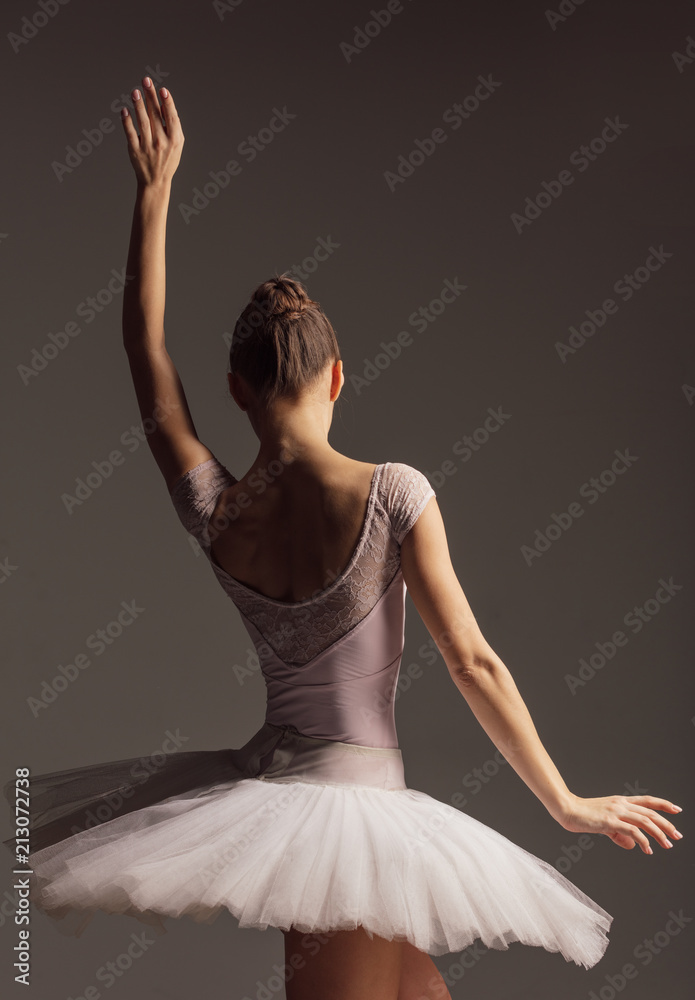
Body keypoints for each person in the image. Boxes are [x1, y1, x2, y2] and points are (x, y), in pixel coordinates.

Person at [6, 78, 683, 1000]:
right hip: (349, 813)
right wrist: (562, 802)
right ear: (338, 379)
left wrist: (153, 195)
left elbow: (144, 353)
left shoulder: (217, 512)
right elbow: (472, 662)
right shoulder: (395, 494)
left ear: (238, 391)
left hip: (290, 798)